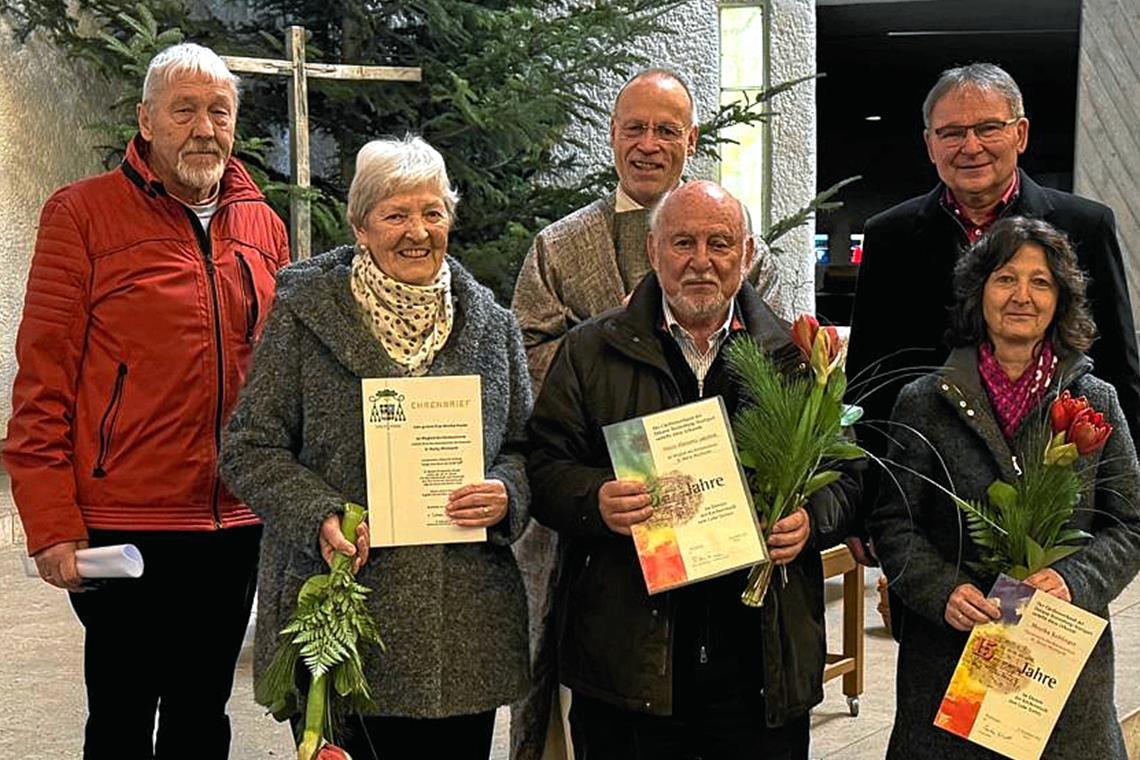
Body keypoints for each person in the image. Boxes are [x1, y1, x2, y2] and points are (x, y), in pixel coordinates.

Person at [2, 43, 290, 758]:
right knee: (124, 717)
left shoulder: (263, 225)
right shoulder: (83, 215)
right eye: (184, 109)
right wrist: (50, 523)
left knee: (203, 713)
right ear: (146, 120)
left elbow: (284, 377)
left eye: (218, 112)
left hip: (233, 520)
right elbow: (43, 377)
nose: (204, 128)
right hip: (123, 524)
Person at [220, 135, 532, 759]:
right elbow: (248, 447)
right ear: (361, 226)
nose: (417, 231)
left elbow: (526, 447)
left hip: (461, 633)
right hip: (342, 621)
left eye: (433, 212)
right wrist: (318, 514)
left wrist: (506, 492)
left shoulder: (493, 327)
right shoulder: (306, 316)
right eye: (396, 215)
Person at [527, 180, 860, 760]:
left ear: (748, 255)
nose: (700, 261)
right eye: (682, 242)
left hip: (760, 666)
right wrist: (594, 499)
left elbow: (849, 478)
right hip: (628, 664)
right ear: (654, 252)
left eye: (719, 243)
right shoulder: (589, 351)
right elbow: (544, 465)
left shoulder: (796, 357)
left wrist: (811, 520)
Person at [509, 67, 780, 760]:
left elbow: (779, 354)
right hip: (612, 519)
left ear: (691, 139)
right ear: (613, 136)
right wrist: (614, 390)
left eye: (666, 130)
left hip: (722, 522)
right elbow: (529, 351)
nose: (650, 144)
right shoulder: (561, 245)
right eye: (635, 128)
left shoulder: (744, 245)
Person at [868, 216, 1140, 758]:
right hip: (948, 662)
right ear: (978, 293)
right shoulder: (924, 402)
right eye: (1005, 279)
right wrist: (941, 590)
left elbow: (1131, 524)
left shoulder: (1095, 402)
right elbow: (891, 525)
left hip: (1059, 670)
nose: (1023, 295)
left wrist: (1073, 580)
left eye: (1041, 282)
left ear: (1061, 299)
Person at [846, 62, 1140, 557]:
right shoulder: (890, 236)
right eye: (952, 132)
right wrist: (864, 504)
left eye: (988, 128)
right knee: (939, 630)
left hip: (1056, 501)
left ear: (1020, 133)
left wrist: (1124, 501)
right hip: (930, 503)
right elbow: (871, 375)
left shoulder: (1084, 226)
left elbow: (1116, 366)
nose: (971, 146)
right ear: (930, 144)